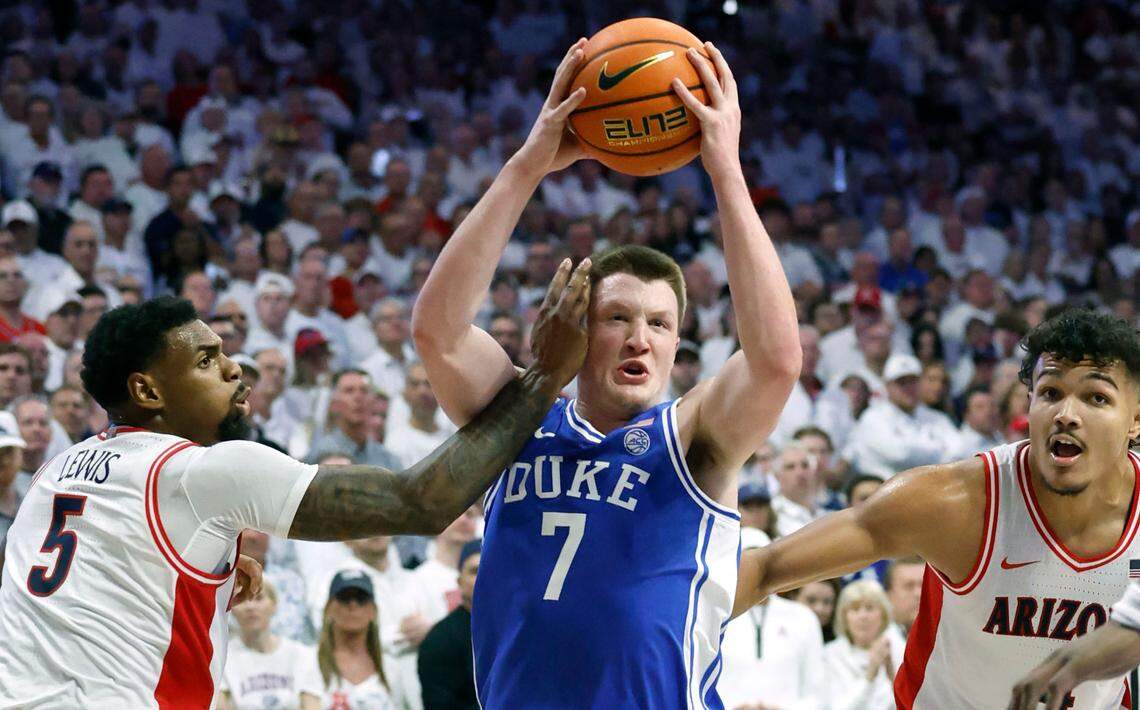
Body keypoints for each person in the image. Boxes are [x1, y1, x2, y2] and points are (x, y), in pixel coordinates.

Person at [0, 255, 590, 708]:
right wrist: (545, 375)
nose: (233, 367)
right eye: (206, 361)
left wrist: (215, 570)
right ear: (148, 392)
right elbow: (420, 502)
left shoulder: (58, 470)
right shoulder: (202, 471)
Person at [412, 41, 800, 707]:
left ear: (678, 347)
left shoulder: (695, 440)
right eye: (618, 317)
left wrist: (725, 171)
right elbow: (437, 331)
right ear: (578, 326)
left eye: (660, 324)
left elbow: (775, 362)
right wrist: (528, 166)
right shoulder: (517, 420)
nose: (640, 339)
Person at [734, 309, 1140, 708]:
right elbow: (767, 568)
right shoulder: (956, 502)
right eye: (1050, 393)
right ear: (1028, 402)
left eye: (1096, 398)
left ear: (1135, 419)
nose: (1067, 415)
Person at [718, 528, 824, 710]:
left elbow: (818, 692)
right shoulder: (716, 618)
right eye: (745, 562)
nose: (753, 572)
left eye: (760, 564)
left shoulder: (802, 617)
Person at [220, 580, 323, 710]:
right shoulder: (222, 658)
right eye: (242, 599)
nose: (250, 607)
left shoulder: (302, 655)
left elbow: (312, 705)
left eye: (259, 598)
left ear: (274, 605)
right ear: (232, 609)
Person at [317, 569, 407, 708]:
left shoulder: (391, 669)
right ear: (329, 607)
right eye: (344, 598)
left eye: (361, 599)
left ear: (374, 610)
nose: (353, 605)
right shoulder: (310, 663)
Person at [417, 538, 481, 710]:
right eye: (475, 571)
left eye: (491, 569)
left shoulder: (517, 631)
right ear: (459, 582)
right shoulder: (440, 639)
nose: (484, 576)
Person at [822, 580, 905, 710]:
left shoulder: (900, 649)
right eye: (855, 609)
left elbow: (910, 704)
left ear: (883, 615)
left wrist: (892, 675)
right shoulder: (829, 655)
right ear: (844, 617)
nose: (863, 616)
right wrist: (870, 674)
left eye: (869, 608)